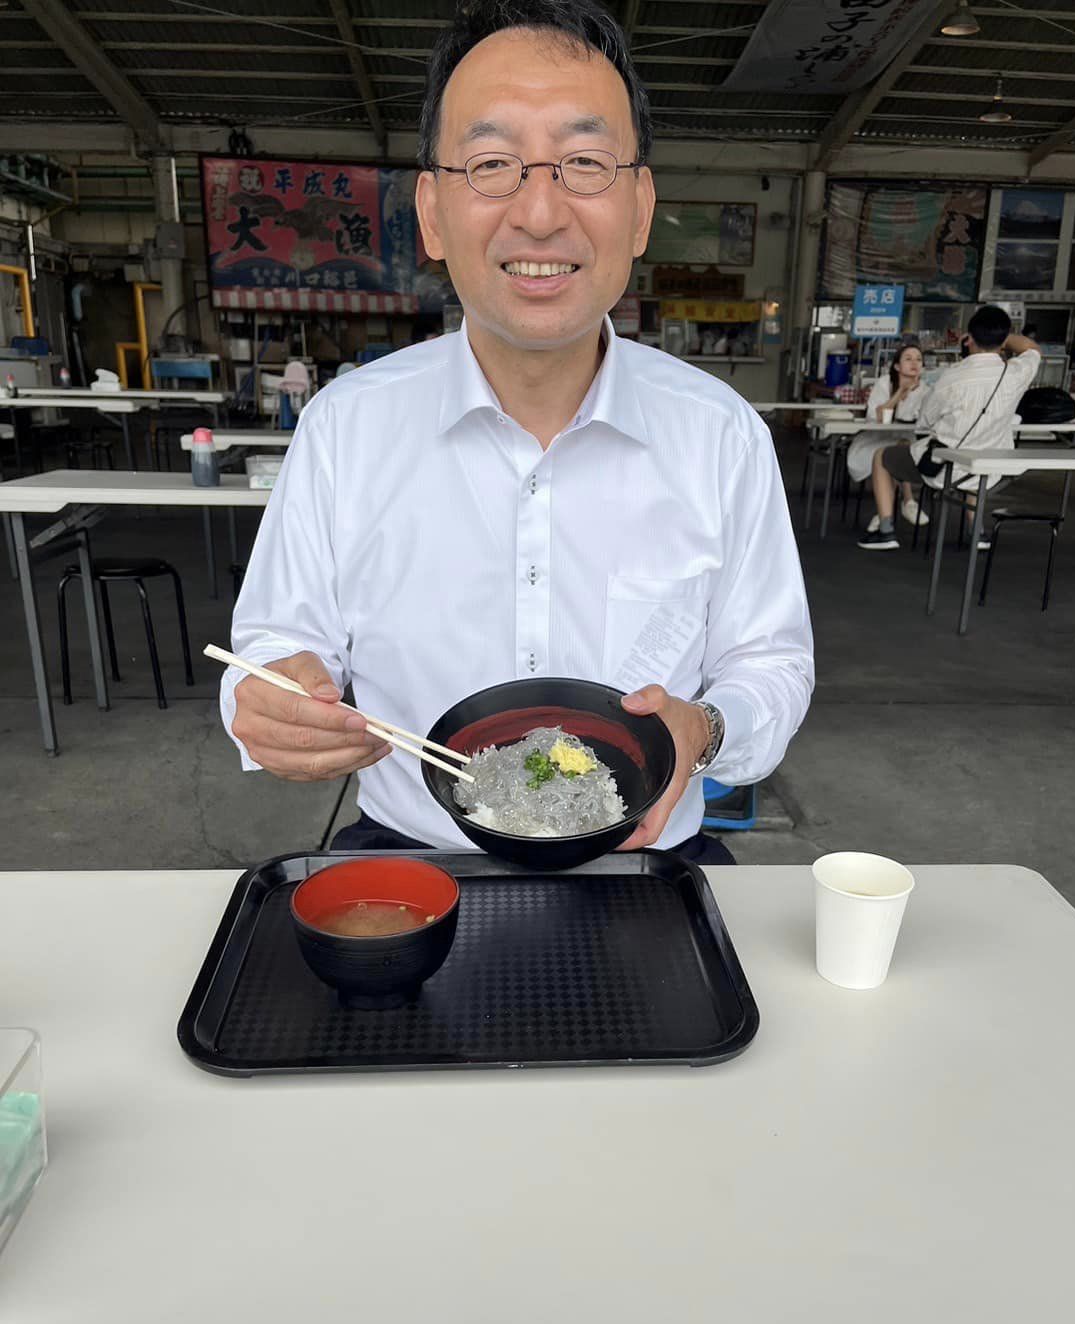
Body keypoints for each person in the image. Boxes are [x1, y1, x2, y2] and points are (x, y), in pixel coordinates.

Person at [221, 0, 814, 865]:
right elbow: (274, 645)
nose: (540, 214)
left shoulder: (720, 433)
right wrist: (271, 696)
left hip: (649, 863)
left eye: (584, 162)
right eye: (493, 163)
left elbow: (772, 660)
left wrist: (710, 727)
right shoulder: (346, 426)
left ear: (641, 206)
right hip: (409, 859)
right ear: (430, 210)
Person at [857, 305, 1040, 552]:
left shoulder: (952, 376)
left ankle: (886, 530)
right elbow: (1031, 349)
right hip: (992, 466)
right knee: (977, 463)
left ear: (969, 338)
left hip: (945, 468)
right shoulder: (1017, 372)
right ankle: (978, 533)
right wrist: (1002, 337)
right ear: (1003, 339)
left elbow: (926, 421)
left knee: (882, 456)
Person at [848, 341, 929, 531]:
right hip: (875, 439)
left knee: (900, 447)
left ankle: (886, 513)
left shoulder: (926, 390)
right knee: (893, 451)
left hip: (906, 439)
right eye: (908, 359)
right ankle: (905, 503)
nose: (914, 363)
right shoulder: (885, 383)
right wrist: (900, 392)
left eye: (918, 359)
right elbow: (877, 415)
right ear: (897, 366)